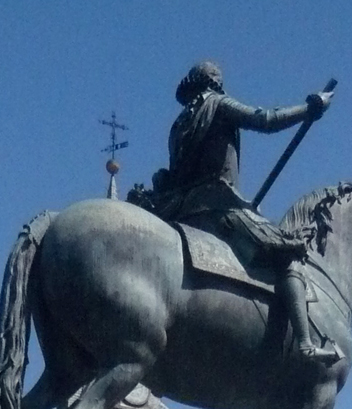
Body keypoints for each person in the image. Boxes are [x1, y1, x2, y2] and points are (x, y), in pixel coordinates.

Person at [135, 61, 337, 365]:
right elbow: (266, 120)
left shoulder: (180, 123)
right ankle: (306, 344)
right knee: (287, 254)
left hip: (179, 209)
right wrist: (309, 108)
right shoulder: (218, 104)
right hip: (216, 204)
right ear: (213, 83)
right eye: (218, 78)